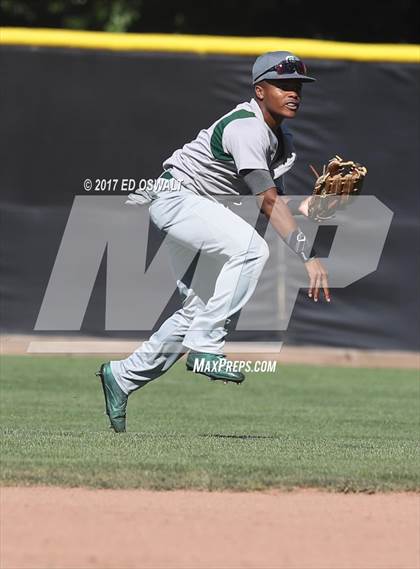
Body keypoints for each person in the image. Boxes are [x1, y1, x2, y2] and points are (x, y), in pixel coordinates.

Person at [97, 51, 330, 433]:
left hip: (189, 205)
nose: (294, 93)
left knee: (197, 308)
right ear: (259, 90)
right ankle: (206, 346)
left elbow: (275, 201)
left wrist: (311, 206)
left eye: (298, 86)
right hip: (177, 198)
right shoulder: (247, 128)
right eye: (283, 85)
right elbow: (268, 203)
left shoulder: (280, 138)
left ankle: (122, 376)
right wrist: (309, 255)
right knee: (251, 250)